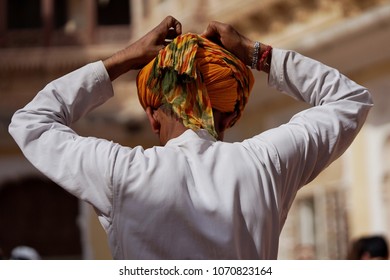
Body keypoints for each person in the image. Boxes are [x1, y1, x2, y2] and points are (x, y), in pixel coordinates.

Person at [8, 16, 373, 259]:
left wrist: (123, 59)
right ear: (230, 116)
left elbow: (31, 122)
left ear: (152, 116)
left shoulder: (121, 173)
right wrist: (256, 54)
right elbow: (350, 99)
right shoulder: (266, 163)